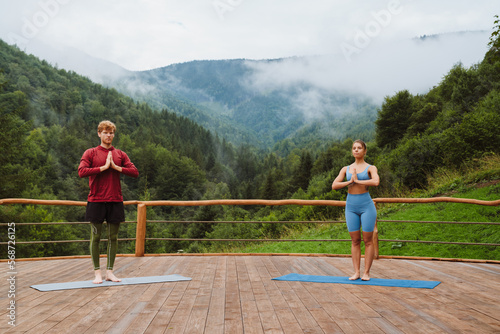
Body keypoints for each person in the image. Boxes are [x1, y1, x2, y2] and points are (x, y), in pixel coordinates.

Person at [78, 120, 139, 284]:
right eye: (105, 132)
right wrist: (103, 168)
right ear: (99, 134)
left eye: (111, 132)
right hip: (96, 200)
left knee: (113, 237)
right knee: (95, 238)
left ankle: (110, 272)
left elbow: (134, 172)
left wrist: (115, 167)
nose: (108, 135)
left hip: (115, 200)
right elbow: (81, 171)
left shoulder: (120, 154)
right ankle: (97, 273)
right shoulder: (90, 153)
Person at [332, 139, 379, 281]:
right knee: (355, 240)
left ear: (364, 151)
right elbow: (334, 185)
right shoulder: (345, 169)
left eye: (359, 148)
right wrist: (349, 182)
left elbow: (376, 181)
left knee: (368, 240)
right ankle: (357, 272)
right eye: (354, 148)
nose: (356, 150)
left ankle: (366, 273)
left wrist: (358, 181)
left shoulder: (371, 168)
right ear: (352, 151)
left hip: (366, 206)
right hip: (351, 207)